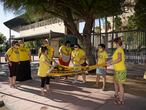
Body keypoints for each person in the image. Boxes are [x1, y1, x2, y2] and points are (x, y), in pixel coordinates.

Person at [107, 37, 127, 104]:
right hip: (117, 70)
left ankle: (121, 100)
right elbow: (114, 59)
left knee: (120, 85)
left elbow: (119, 59)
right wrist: (108, 62)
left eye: (114, 43)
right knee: (115, 82)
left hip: (120, 70)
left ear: (117, 43)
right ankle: (116, 94)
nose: (113, 44)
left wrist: (110, 63)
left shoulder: (119, 50)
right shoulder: (117, 50)